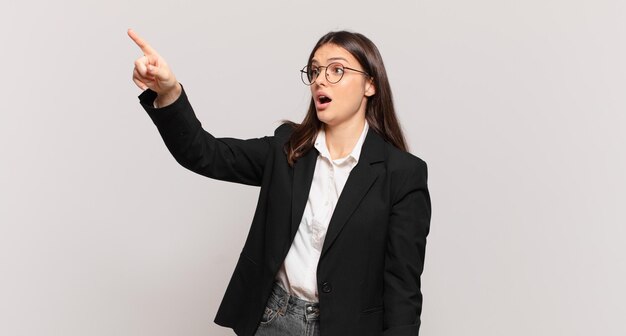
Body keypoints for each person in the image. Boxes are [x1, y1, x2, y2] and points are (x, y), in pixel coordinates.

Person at [129, 28, 431, 336]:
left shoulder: (402, 174)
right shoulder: (288, 148)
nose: (320, 80)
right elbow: (204, 153)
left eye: (337, 70)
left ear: (370, 84)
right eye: (314, 71)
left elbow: (403, 288)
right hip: (273, 320)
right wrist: (167, 92)